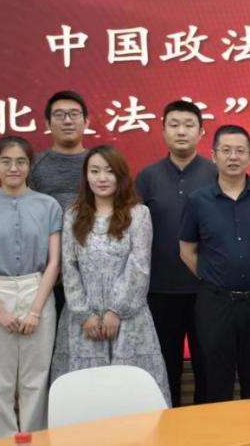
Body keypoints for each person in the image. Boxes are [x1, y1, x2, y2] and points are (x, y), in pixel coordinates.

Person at [51, 145, 170, 405]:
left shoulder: (138, 214)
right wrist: (84, 314)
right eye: (94, 171)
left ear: (121, 175)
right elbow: (69, 266)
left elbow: (139, 266)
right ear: (86, 176)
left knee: (130, 394)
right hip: (84, 320)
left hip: (129, 318)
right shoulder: (73, 215)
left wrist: (117, 311)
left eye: (109, 171)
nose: (102, 178)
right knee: (85, 396)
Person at [0, 136, 62, 436]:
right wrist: (0, 312)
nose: (13, 168)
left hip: (37, 289)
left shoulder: (49, 206)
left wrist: (35, 311)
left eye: (21, 161)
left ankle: (36, 440)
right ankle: (4, 441)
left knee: (36, 380)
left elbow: (54, 262)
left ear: (30, 165)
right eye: (6, 161)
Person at [180, 125, 250, 401]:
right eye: (226, 150)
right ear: (213, 155)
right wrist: (212, 276)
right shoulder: (198, 200)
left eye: (240, 151)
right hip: (215, 303)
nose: (233, 157)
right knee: (216, 381)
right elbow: (187, 250)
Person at [136, 100, 217, 406]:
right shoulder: (147, 177)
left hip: (207, 290)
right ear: (163, 130)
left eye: (189, 125)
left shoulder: (216, 174)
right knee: (164, 368)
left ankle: (207, 427)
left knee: (209, 366)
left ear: (201, 132)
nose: (181, 131)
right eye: (174, 125)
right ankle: (167, 426)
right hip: (159, 291)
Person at [29, 90, 90, 316]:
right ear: (47, 123)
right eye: (59, 115)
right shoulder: (33, 165)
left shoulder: (100, 164)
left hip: (92, 271)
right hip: (46, 273)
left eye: (74, 114)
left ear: (86, 121)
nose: (67, 120)